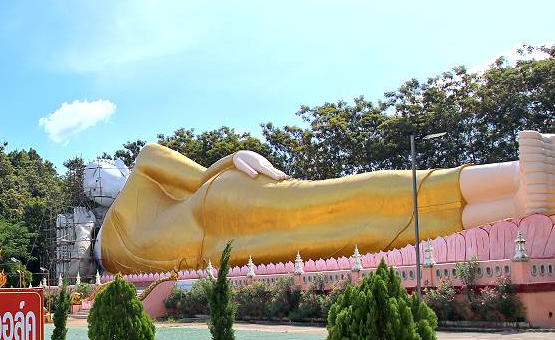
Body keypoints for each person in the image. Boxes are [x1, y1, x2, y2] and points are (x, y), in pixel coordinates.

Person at [98, 130, 554, 274]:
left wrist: (231, 159)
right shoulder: (111, 250)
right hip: (217, 251)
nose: (99, 181)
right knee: (356, 235)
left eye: (99, 174)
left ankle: (513, 173)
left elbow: (186, 172)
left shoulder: (137, 179)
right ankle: (518, 205)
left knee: (339, 201)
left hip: (217, 205)